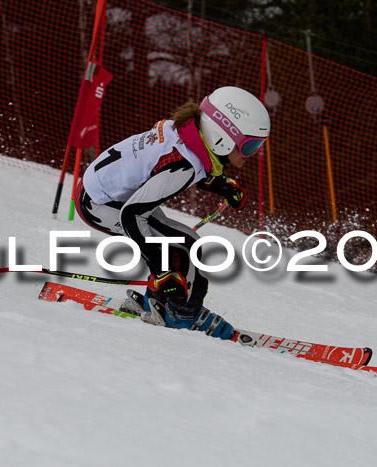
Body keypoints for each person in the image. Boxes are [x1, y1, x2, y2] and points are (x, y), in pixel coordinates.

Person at [75, 86, 270, 339]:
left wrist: (221, 185)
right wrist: (159, 268)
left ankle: (156, 304)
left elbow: (177, 166)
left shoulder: (185, 134)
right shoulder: (184, 163)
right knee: (186, 247)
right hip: (101, 204)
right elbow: (131, 215)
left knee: (184, 243)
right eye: (249, 146)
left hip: (109, 194)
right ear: (222, 137)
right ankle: (182, 315)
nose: (252, 154)